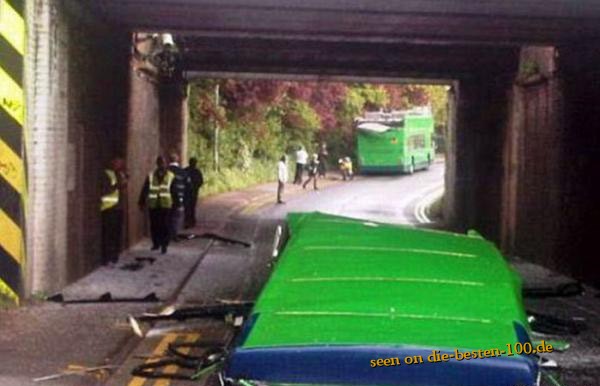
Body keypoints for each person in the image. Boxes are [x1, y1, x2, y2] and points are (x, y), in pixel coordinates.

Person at [139, 156, 175, 254]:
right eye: (159, 163)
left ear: (165, 164)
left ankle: (164, 245)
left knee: (165, 225)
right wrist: (141, 202)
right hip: (154, 204)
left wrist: (176, 203)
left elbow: (174, 190)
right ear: (157, 164)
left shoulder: (171, 176)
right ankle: (156, 243)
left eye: (163, 163)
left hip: (166, 204)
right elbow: (145, 189)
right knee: (154, 225)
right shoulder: (151, 176)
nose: (161, 165)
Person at [100, 157, 128, 267]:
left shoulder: (121, 174)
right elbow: (105, 190)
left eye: (121, 162)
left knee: (116, 234)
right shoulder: (106, 174)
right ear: (112, 161)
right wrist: (119, 185)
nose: (119, 164)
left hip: (118, 208)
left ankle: (114, 256)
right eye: (117, 161)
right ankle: (106, 258)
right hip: (108, 208)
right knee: (107, 234)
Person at [167, 153, 187, 241]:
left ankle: (167, 235)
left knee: (167, 216)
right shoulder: (182, 171)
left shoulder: (165, 170)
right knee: (176, 217)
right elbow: (188, 185)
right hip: (179, 197)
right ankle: (174, 235)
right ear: (177, 160)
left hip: (166, 197)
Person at [184, 157, 204, 228]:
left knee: (188, 207)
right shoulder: (197, 172)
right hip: (193, 192)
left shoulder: (185, 171)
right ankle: (191, 221)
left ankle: (188, 221)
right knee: (191, 207)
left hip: (187, 192)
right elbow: (201, 181)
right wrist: (196, 187)